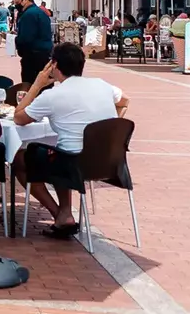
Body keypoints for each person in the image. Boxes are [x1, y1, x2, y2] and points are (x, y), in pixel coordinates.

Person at [13, 43, 131, 238]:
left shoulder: (52, 95)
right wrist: (111, 124)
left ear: (54, 65)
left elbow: (19, 118)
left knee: (21, 160)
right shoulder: (102, 85)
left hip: (72, 164)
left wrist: (37, 84)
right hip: (109, 161)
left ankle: (60, 214)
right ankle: (64, 212)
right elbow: (125, 100)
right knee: (60, 148)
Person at [13, 0, 54, 84]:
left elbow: (26, 38)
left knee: (30, 86)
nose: (16, 5)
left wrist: (15, 40)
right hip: (45, 54)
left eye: (17, 2)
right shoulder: (41, 12)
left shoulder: (29, 14)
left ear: (25, 0)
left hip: (33, 57)